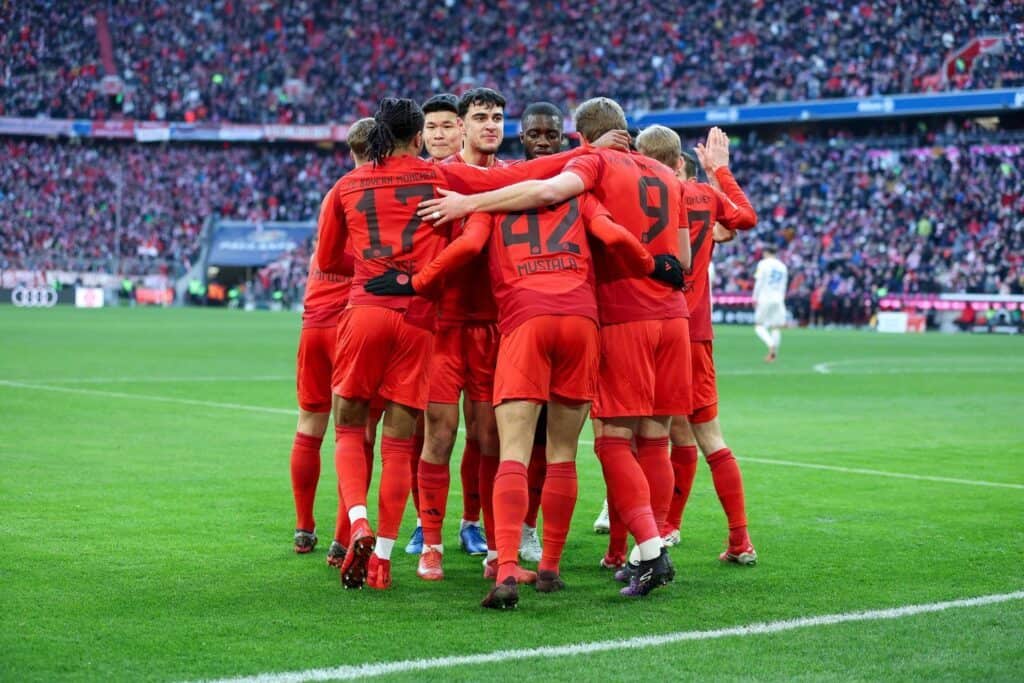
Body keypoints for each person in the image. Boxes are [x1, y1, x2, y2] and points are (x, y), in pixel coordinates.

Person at [366, 152, 683, 609]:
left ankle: (507, 568)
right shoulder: (582, 198)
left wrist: (416, 281)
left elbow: (469, 249)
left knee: (512, 451)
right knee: (562, 453)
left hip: (523, 322)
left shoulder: (488, 202)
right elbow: (613, 236)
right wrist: (654, 266)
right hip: (580, 321)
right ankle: (550, 567)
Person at [316, 97, 604, 591]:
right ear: (438, 133)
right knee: (437, 437)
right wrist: (593, 153)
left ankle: (489, 543)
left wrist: (383, 273)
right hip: (439, 323)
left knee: (487, 438)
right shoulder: (444, 177)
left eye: (495, 118)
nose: (486, 126)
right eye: (474, 120)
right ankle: (427, 544)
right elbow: (468, 241)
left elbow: (332, 256)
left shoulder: (494, 179)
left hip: (486, 323)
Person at [635, 125, 760, 566]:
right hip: (696, 331)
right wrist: (720, 172)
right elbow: (744, 218)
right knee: (705, 436)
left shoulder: (634, 194)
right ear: (680, 162)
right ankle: (738, 539)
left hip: (646, 326)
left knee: (643, 438)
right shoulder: (702, 197)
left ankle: (648, 536)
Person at [289, 118, 373, 557]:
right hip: (353, 321)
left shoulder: (333, 193)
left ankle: (304, 527)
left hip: (314, 321)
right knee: (356, 434)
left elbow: (322, 255)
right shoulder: (372, 191)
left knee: (309, 424)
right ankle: (343, 540)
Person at [754, 245, 789, 362]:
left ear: (766, 253)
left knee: (759, 325)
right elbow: (784, 285)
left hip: (765, 297)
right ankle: (773, 353)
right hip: (778, 298)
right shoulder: (783, 266)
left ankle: (770, 345)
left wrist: (755, 297)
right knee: (776, 327)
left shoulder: (763, 264)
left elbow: (759, 281)